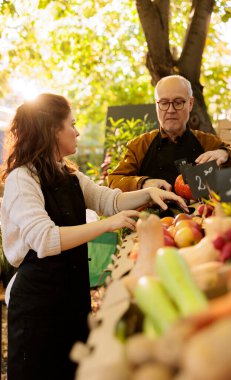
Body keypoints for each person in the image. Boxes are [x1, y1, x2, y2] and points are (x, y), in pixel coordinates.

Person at [0, 93, 188, 380]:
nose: (77, 131)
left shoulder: (70, 176)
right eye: (71, 125)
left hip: (71, 295)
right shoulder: (22, 180)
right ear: (52, 130)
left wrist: (149, 193)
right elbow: (45, 240)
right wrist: (107, 225)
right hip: (37, 304)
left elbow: (108, 200)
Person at [108, 75, 231, 192]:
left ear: (190, 104)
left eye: (178, 102)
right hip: (151, 221)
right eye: (164, 102)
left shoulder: (208, 143)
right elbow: (113, 181)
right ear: (156, 105)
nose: (170, 110)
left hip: (197, 220)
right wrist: (143, 182)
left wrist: (227, 154)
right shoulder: (139, 146)